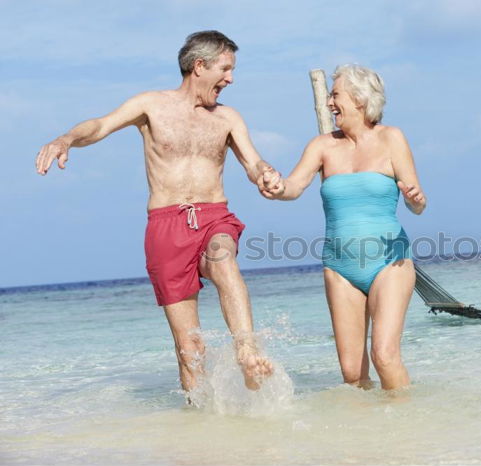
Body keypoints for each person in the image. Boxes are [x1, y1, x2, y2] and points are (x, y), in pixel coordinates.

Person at [35, 30, 273, 395]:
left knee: (223, 260)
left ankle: (247, 352)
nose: (230, 78)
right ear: (200, 66)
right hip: (166, 224)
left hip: (213, 214)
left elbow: (253, 163)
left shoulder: (228, 118)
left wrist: (265, 176)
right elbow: (99, 125)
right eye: (225, 69)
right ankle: (201, 432)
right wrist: (66, 138)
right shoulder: (151, 105)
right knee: (189, 348)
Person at [260, 64, 426, 390]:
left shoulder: (392, 138)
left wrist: (415, 198)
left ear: (360, 99)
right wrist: (277, 187)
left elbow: (417, 205)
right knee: (352, 374)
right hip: (340, 268)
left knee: (384, 355)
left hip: (389, 262)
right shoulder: (322, 146)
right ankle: (365, 439)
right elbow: (294, 186)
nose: (329, 103)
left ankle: (408, 432)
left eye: (335, 95)